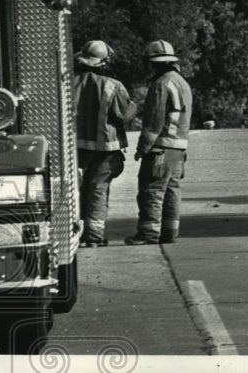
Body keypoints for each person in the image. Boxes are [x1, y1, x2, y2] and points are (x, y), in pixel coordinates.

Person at [125, 40, 193, 246]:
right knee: (172, 190)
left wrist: (142, 148)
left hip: (161, 147)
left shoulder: (161, 84)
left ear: (156, 63)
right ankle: (169, 232)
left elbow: (155, 122)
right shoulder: (183, 83)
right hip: (179, 148)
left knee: (152, 190)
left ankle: (148, 233)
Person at [72, 41, 136, 247]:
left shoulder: (68, 83)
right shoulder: (113, 85)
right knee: (98, 189)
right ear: (104, 62)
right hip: (105, 150)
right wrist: (133, 106)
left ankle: (77, 233)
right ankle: (94, 237)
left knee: (77, 190)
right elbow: (124, 115)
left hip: (76, 149)